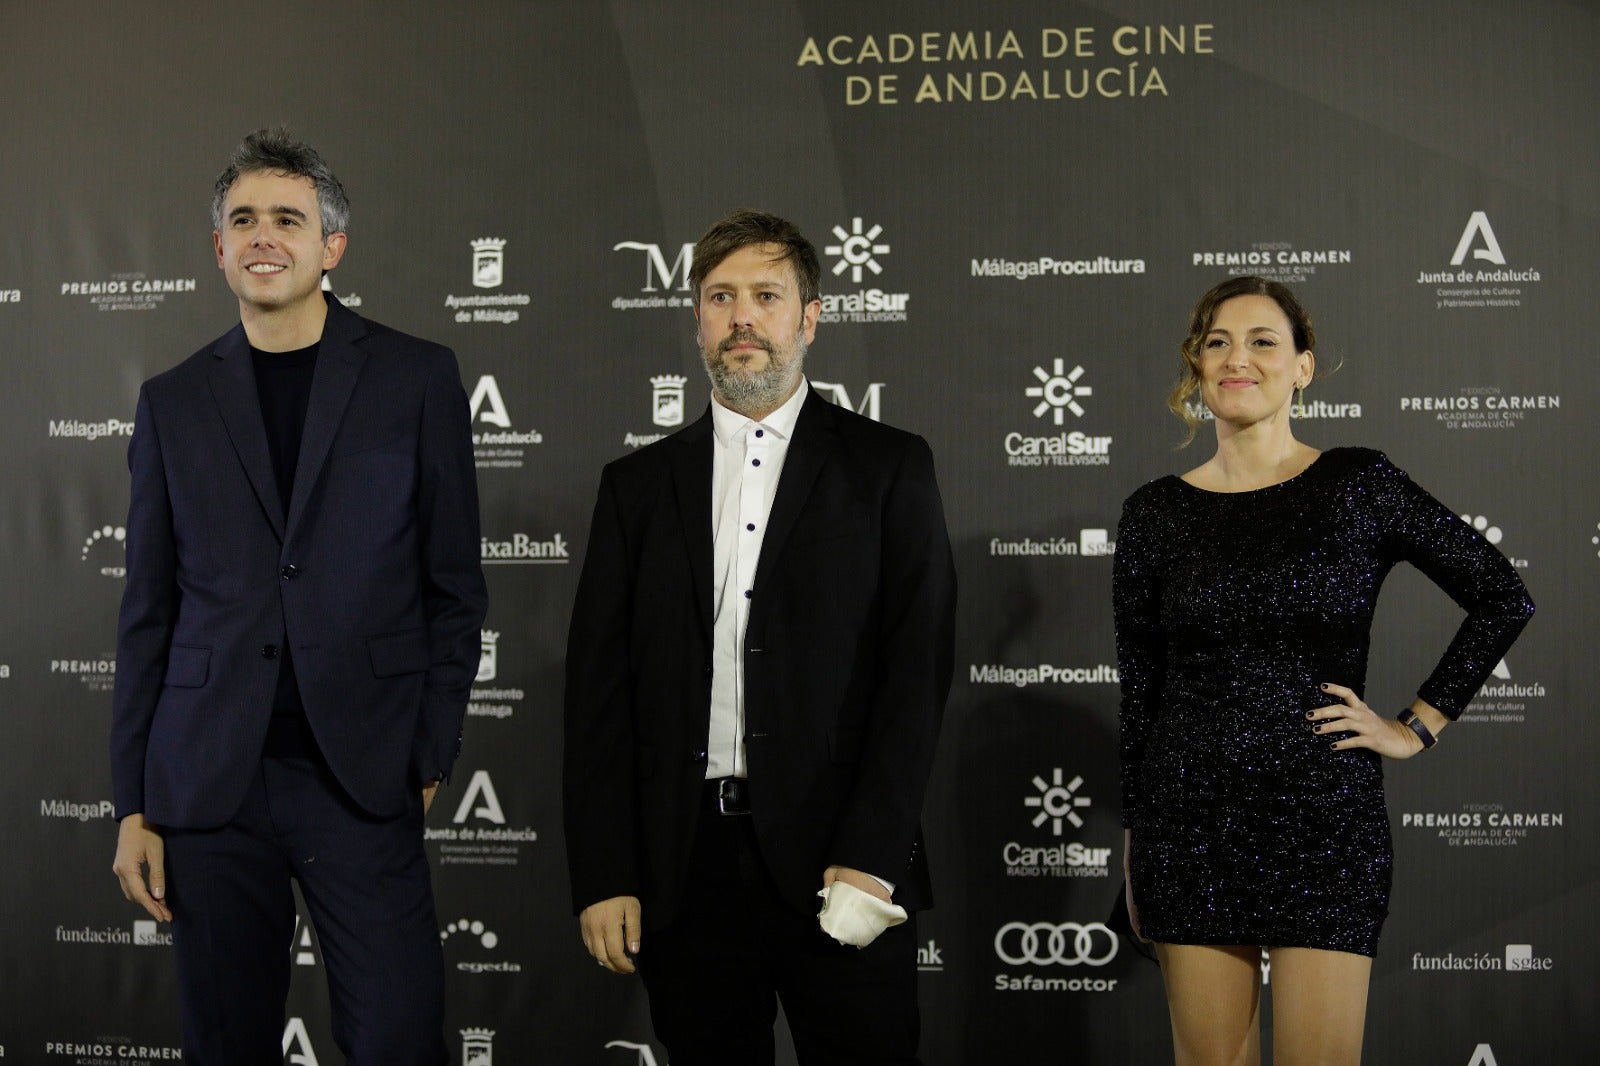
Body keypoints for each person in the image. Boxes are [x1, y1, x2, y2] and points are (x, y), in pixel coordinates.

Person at [109, 128, 487, 1065]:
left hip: (357, 773)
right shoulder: (172, 400)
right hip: (206, 785)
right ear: (219, 248)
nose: (263, 236)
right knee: (225, 1044)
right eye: (243, 220)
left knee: (397, 1036)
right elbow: (147, 613)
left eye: (288, 218)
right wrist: (132, 805)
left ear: (333, 247)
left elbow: (454, 587)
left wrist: (429, 748)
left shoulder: (416, 376)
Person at [563, 209, 955, 1065]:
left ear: (809, 319)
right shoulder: (635, 487)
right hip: (683, 870)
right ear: (698, 321)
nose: (742, 317)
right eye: (720, 297)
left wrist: (872, 859)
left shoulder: (888, 467)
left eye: (766, 296)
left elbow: (914, 677)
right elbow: (598, 697)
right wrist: (605, 873)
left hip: (840, 869)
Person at [1113, 276, 1533, 1066]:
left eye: (1263, 341)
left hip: (1323, 822)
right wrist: (1136, 847)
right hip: (1187, 824)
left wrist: (1415, 726)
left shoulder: (1357, 485)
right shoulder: (1154, 513)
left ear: (1303, 366)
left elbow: (1502, 596)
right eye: (1217, 343)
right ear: (1196, 367)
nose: (1238, 359)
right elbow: (1142, 694)